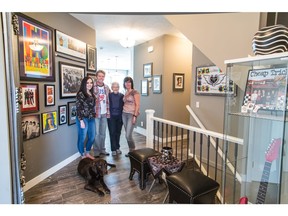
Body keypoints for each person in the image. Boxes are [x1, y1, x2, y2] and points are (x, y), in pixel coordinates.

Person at [76, 77, 96, 159]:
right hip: (83, 118)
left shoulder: (92, 94)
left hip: (91, 118)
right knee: (82, 137)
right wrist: (81, 121)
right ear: (84, 84)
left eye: (91, 83)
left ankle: (87, 152)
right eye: (87, 83)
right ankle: (82, 155)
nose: (89, 84)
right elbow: (78, 108)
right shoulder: (80, 94)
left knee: (92, 137)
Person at [93, 70, 110, 157]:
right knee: (96, 133)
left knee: (103, 133)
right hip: (96, 113)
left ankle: (102, 149)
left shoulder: (106, 87)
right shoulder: (92, 86)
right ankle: (96, 151)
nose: (101, 78)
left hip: (104, 113)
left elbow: (109, 99)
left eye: (102, 76)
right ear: (96, 77)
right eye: (99, 76)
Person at [122, 77, 140, 157]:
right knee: (127, 134)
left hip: (131, 114)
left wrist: (135, 116)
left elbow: (138, 104)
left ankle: (133, 150)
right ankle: (130, 151)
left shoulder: (135, 92)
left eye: (129, 82)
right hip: (124, 114)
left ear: (131, 83)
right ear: (124, 83)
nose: (127, 84)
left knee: (128, 135)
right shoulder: (125, 92)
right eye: (126, 82)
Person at [107, 82, 124, 156]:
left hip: (119, 117)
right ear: (112, 87)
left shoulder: (122, 96)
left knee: (118, 133)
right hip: (111, 117)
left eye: (117, 86)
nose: (115, 88)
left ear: (119, 87)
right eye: (114, 86)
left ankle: (117, 147)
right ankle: (113, 149)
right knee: (112, 132)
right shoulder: (109, 95)